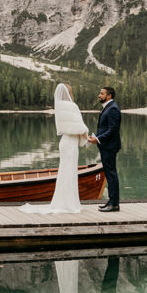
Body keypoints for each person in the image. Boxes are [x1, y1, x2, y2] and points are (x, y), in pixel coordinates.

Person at [19, 83, 88, 214]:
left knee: (64, 171)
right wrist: (88, 138)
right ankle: (70, 204)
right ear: (69, 93)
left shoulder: (59, 106)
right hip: (71, 142)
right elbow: (79, 127)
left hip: (64, 142)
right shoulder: (72, 106)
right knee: (70, 172)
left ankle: (62, 201)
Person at [87, 86, 121, 212]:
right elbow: (105, 128)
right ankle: (111, 201)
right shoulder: (108, 107)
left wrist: (98, 139)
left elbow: (113, 130)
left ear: (109, 96)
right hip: (106, 145)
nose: (99, 95)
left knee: (111, 174)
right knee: (109, 174)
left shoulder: (113, 109)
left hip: (110, 146)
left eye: (102, 93)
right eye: (99, 93)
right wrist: (97, 137)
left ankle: (114, 204)